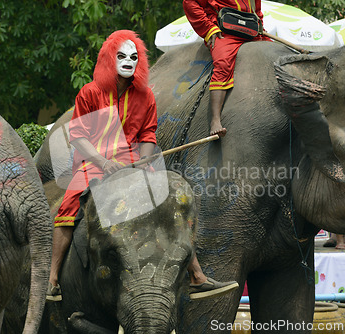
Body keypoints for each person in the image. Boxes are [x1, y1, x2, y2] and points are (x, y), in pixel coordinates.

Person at [47, 30, 238, 302]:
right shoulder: (90, 93)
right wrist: (103, 161)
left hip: (134, 162)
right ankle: (52, 278)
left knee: (171, 202)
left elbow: (148, 135)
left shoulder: (145, 96)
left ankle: (196, 275)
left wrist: (144, 161)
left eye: (134, 57)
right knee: (67, 206)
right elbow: (78, 137)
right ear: (109, 59)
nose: (128, 61)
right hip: (93, 162)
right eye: (121, 56)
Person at [183, 0, 271, 137]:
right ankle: (215, 120)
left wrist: (261, 27)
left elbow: (256, 9)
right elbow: (189, 2)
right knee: (223, 63)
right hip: (224, 32)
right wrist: (208, 28)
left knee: (274, 56)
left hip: (251, 31)